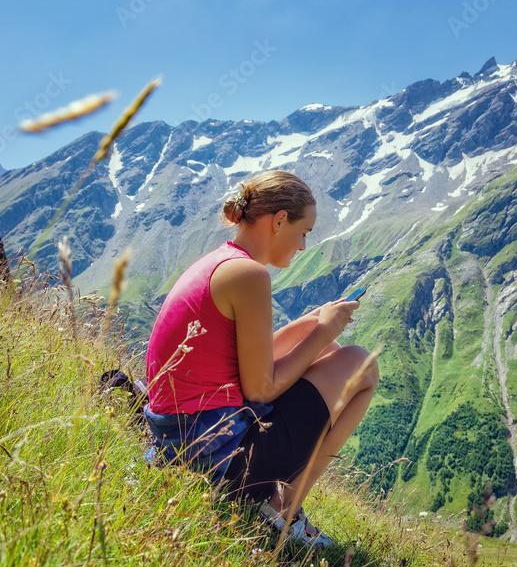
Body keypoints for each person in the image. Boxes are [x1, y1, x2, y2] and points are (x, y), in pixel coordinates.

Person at [143, 169, 379, 547]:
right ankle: (283, 511)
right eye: (304, 232)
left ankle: (281, 505)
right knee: (361, 366)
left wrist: (307, 327)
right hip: (218, 462)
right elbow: (261, 388)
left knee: (331, 355)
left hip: (178, 443)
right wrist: (324, 331)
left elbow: (239, 358)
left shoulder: (223, 262)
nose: (303, 246)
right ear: (279, 221)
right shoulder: (250, 275)